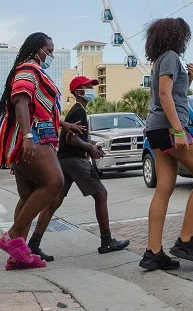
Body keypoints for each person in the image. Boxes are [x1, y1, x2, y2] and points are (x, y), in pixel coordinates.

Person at [0, 32, 85, 270]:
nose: (51, 55)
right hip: (32, 136)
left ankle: (18, 256)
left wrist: (63, 124)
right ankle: (12, 238)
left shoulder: (33, 70)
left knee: (28, 194)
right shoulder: (28, 69)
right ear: (36, 49)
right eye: (49, 50)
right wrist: (28, 137)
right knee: (54, 182)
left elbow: (40, 107)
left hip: (28, 136)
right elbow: (21, 101)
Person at [140, 18, 193, 271]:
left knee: (164, 187)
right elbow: (164, 95)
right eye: (184, 35)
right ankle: (185, 241)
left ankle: (153, 252)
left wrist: (189, 79)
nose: (186, 40)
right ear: (177, 36)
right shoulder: (171, 57)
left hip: (156, 128)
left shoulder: (161, 59)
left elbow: (174, 94)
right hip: (169, 129)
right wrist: (179, 130)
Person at [28, 76, 130, 261]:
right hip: (74, 160)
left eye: (92, 86)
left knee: (54, 203)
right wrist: (89, 147)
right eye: (87, 86)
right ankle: (106, 240)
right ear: (77, 91)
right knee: (101, 194)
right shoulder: (78, 111)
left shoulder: (78, 110)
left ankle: (34, 244)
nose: (92, 89)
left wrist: (90, 144)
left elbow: (75, 137)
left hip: (64, 161)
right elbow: (71, 139)